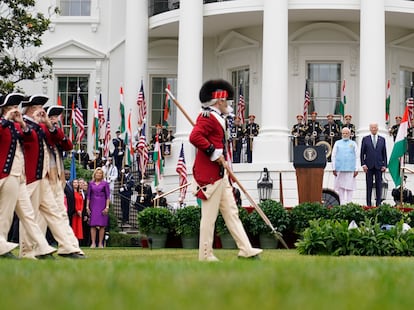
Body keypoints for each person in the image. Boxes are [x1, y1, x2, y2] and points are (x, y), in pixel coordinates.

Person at [189, 79, 262, 261]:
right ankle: (205, 255)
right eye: (226, 101)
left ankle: (246, 249)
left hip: (221, 174)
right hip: (210, 175)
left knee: (232, 213)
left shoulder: (217, 118)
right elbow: (195, 137)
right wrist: (213, 152)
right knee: (209, 218)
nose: (228, 104)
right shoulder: (206, 118)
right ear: (219, 101)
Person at [20, 94, 85, 259]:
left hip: (47, 177)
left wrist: (49, 124)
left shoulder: (42, 126)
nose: (43, 111)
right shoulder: (22, 125)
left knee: (56, 213)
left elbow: (66, 144)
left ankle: (68, 247)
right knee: (31, 215)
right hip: (31, 177)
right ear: (32, 109)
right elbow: (26, 138)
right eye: (40, 107)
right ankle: (30, 250)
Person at [0, 93, 56, 259]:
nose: (15, 110)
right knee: (5, 214)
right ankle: (2, 248)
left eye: (17, 107)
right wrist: (6, 120)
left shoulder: (16, 126)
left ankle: (41, 247)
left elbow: (30, 137)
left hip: (20, 176)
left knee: (29, 215)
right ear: (4, 109)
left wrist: (22, 123)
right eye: (11, 107)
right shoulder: (3, 124)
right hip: (7, 174)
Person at [360, 123, 387, 206]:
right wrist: (363, 164)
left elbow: (384, 153)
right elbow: (362, 153)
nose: (374, 129)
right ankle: (368, 204)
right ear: (370, 129)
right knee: (369, 186)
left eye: (375, 127)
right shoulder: (365, 139)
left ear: (377, 128)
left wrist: (385, 165)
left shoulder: (382, 139)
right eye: (372, 128)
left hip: (379, 166)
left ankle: (378, 204)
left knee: (379, 186)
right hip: (369, 166)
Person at [331, 128, 358, 204]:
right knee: (340, 188)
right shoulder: (337, 143)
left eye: (346, 133)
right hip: (339, 169)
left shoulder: (353, 143)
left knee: (350, 187)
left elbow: (357, 157)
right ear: (341, 134)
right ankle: (342, 204)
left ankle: (349, 204)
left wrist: (356, 169)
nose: (345, 135)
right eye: (343, 133)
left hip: (350, 169)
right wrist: (333, 168)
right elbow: (333, 156)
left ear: (349, 134)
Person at [86, 167, 110, 248]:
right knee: (93, 224)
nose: (98, 174)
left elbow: (108, 196)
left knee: (102, 225)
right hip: (93, 204)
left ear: (102, 175)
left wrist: (107, 207)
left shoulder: (105, 184)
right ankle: (93, 243)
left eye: (100, 173)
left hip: (102, 204)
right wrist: (87, 206)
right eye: (97, 173)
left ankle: (100, 243)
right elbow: (88, 196)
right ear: (94, 174)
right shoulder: (91, 183)